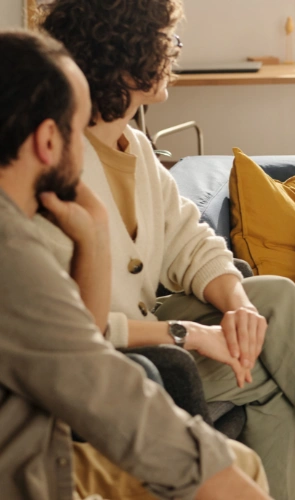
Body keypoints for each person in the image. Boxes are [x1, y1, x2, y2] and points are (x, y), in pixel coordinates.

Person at [37, 1, 295, 499]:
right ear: (124, 53)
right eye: (168, 41)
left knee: (267, 305)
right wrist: (189, 333)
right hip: (104, 361)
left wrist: (237, 304)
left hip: (144, 333)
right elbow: (66, 327)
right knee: (268, 372)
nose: (175, 53)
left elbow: (189, 243)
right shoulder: (52, 165)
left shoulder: (137, 148)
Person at [0, 28, 269, 500]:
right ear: (47, 140)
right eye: (78, 127)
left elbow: (81, 342)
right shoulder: (11, 251)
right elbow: (99, 383)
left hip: (48, 445)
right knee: (232, 472)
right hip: (31, 472)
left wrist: (95, 233)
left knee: (237, 460)